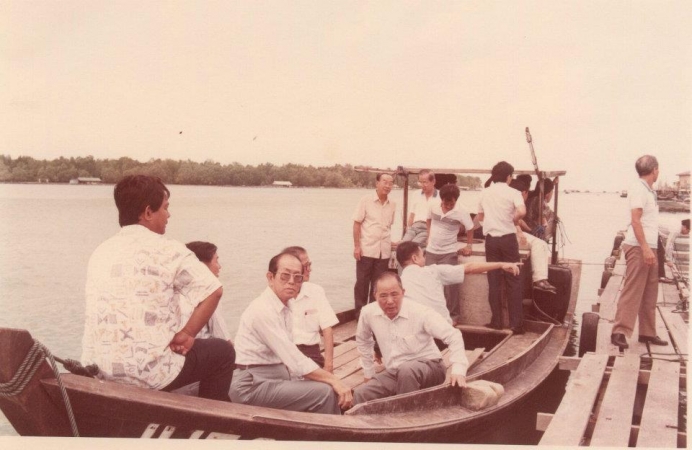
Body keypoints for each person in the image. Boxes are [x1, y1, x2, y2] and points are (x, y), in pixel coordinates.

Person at [81, 175, 234, 401]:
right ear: (148, 213)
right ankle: (210, 421)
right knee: (222, 352)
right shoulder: (170, 250)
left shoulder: (101, 251)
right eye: (165, 207)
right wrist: (188, 334)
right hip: (147, 374)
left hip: (98, 369)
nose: (169, 215)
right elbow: (214, 290)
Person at [230, 252, 352, 414]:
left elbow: (292, 362)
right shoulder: (262, 310)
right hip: (251, 386)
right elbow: (294, 359)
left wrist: (330, 380)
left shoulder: (286, 306)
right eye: (285, 276)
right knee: (324, 392)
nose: (291, 282)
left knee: (326, 386)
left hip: (273, 377)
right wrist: (334, 380)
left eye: (297, 277)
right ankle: (331, 436)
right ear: (270, 277)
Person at [353, 272, 469, 404]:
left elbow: (453, 335)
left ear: (403, 292)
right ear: (375, 296)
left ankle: (406, 419)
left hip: (431, 367)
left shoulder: (420, 312)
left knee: (407, 371)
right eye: (383, 296)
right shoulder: (368, 312)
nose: (390, 301)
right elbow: (363, 340)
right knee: (361, 393)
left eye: (394, 294)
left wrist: (459, 369)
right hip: (395, 372)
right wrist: (368, 373)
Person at [611, 155, 668, 349]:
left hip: (650, 245)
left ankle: (647, 332)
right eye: (658, 169)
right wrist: (644, 248)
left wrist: (651, 248)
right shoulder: (638, 189)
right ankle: (619, 331)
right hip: (638, 246)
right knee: (633, 289)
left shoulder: (648, 191)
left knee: (650, 291)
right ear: (654, 170)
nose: (658, 172)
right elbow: (636, 220)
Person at [397, 241, 521, 324]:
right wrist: (501, 264)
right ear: (414, 258)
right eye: (422, 256)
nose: (425, 258)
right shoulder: (433, 271)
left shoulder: (398, 283)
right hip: (440, 332)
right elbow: (470, 267)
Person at [474, 162, 526, 334]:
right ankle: (516, 324)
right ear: (508, 176)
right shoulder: (514, 193)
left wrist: (488, 224)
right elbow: (522, 211)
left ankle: (496, 321)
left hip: (492, 241)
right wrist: (513, 219)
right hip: (508, 239)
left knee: (494, 281)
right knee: (514, 281)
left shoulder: (485, 192)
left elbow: (480, 216)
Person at [425, 183, 475, 325]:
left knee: (451, 286)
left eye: (451, 204)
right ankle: (432, 315)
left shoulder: (462, 211)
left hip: (449, 252)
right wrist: (429, 236)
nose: (448, 206)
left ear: (456, 201)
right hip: (431, 251)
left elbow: (470, 228)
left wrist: (469, 245)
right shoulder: (432, 205)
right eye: (445, 203)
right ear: (441, 199)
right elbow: (428, 220)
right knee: (430, 284)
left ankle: (454, 316)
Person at [283, 246, 339, 372]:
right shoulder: (279, 295)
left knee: (330, 389)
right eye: (306, 266)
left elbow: (327, 329)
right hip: (286, 355)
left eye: (310, 264)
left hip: (311, 354)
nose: (310, 269)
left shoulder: (316, 291)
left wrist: (328, 366)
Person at [353, 172, 396, 313]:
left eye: (390, 183)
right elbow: (357, 224)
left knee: (378, 287)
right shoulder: (365, 200)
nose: (388, 185)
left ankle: (374, 315)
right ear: (377, 183)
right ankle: (360, 315)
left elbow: (388, 227)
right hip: (366, 250)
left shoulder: (392, 204)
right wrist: (357, 247)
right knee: (362, 285)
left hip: (383, 253)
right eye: (385, 182)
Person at [509, 180, 557, 293]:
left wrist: (529, 230)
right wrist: (520, 232)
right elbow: (514, 220)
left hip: (510, 232)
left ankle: (541, 278)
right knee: (539, 244)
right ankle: (539, 280)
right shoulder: (521, 203)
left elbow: (518, 221)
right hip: (509, 235)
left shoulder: (513, 202)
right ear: (523, 193)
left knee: (542, 244)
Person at [184, 241, 232, 342]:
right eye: (216, 261)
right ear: (202, 266)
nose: (219, 266)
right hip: (200, 348)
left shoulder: (180, 289)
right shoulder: (209, 291)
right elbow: (222, 336)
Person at [400, 169, 438, 245]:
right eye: (420, 182)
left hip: (428, 228)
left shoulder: (440, 197)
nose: (422, 185)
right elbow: (412, 215)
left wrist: (431, 235)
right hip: (414, 227)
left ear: (433, 182)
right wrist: (408, 229)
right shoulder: (416, 194)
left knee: (414, 245)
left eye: (425, 182)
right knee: (403, 245)